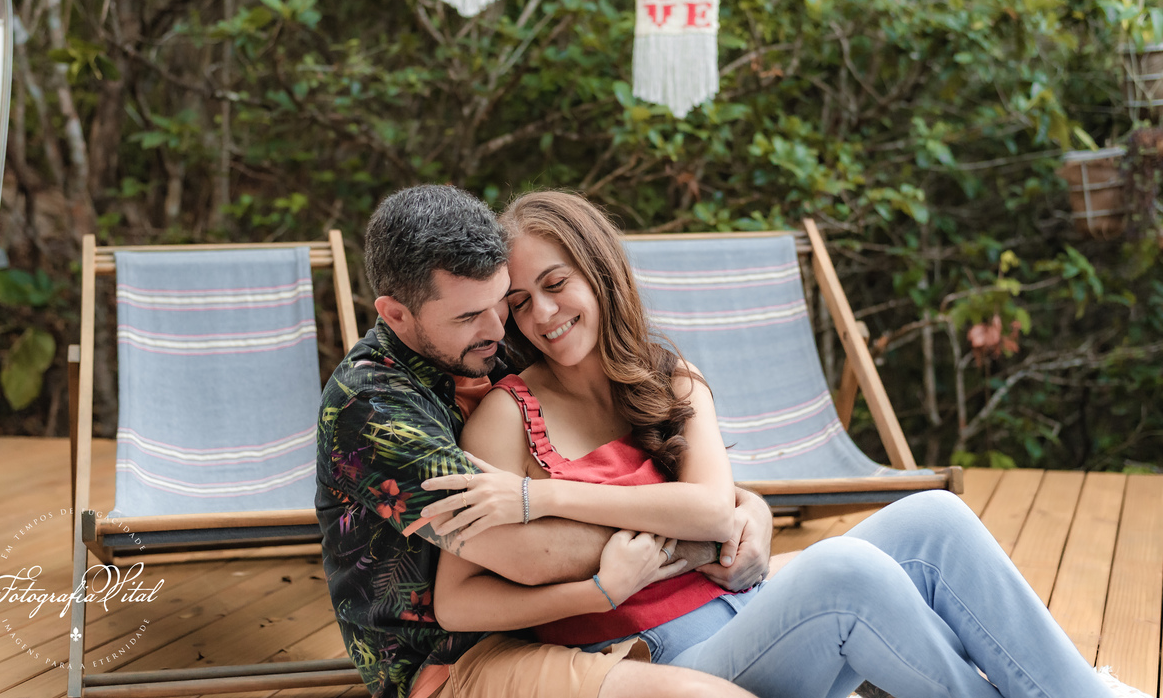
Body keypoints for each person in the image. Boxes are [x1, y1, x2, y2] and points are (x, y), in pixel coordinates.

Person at [419, 189, 1147, 698]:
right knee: (844, 569)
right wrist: (600, 583)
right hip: (670, 660)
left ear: (600, 272)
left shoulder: (670, 379)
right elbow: (458, 594)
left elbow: (710, 508)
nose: (542, 313)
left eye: (556, 283)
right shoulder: (505, 419)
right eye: (519, 303)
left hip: (751, 607)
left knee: (935, 517)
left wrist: (538, 496)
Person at [315, 184, 770, 698]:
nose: (497, 329)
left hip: (568, 631)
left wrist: (745, 507)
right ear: (396, 315)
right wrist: (701, 533)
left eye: (500, 304)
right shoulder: (373, 406)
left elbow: (644, 471)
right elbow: (526, 553)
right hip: (458, 663)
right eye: (468, 316)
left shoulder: (500, 344)